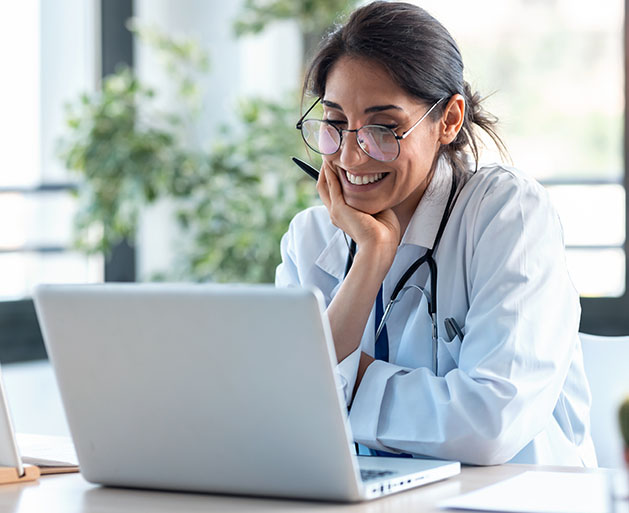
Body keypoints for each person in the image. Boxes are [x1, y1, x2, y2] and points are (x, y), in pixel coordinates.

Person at [275, 1, 596, 466]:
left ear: (448, 120)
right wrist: (370, 258)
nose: (351, 157)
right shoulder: (310, 239)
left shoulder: (506, 215)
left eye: (384, 128)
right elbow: (285, 414)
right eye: (335, 124)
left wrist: (344, 383)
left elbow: (490, 425)